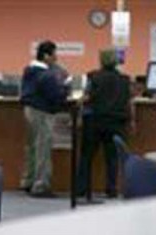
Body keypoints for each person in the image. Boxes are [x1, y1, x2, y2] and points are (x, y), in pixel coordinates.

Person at [75, 48, 131, 202]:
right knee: (112, 157)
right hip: (116, 122)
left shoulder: (93, 76)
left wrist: (80, 104)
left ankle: (81, 188)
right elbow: (128, 102)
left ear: (101, 60)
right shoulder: (125, 79)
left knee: (87, 156)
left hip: (95, 121)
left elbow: (87, 97)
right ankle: (111, 189)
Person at [20, 40, 68, 198]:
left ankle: (28, 180)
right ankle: (41, 186)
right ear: (46, 56)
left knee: (32, 147)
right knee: (43, 149)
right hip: (42, 112)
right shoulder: (46, 75)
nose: (56, 57)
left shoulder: (29, 70)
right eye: (54, 54)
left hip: (29, 111)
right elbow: (57, 97)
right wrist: (65, 86)